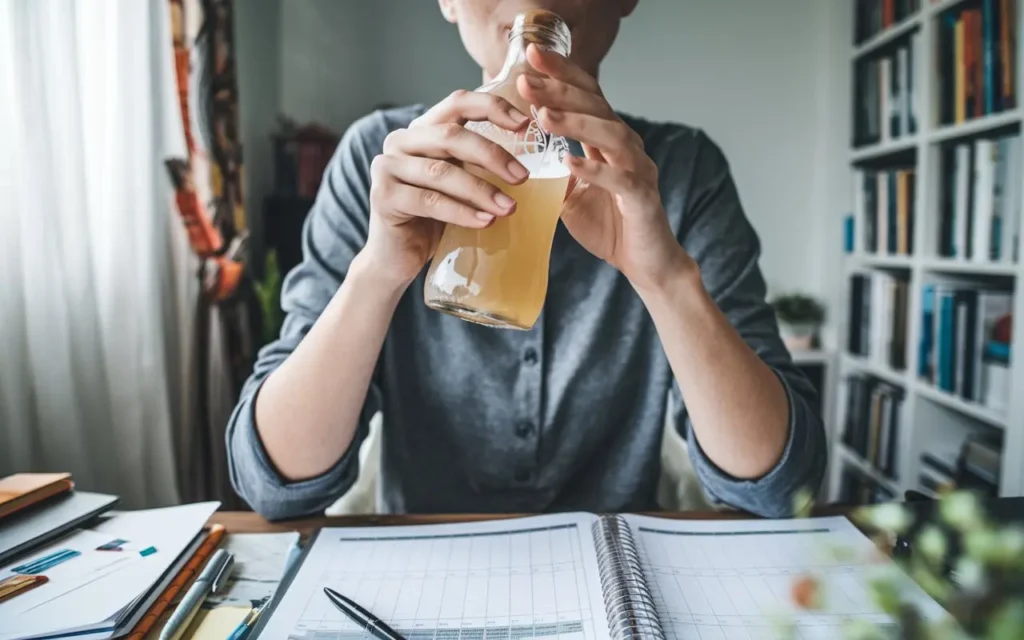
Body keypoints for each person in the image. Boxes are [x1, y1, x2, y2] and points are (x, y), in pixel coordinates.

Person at [226, 0, 827, 521]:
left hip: (617, 573)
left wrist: (664, 276)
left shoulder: (684, 171)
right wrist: (379, 270)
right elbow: (272, 486)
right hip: (422, 576)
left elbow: (781, 487)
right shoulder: (378, 161)